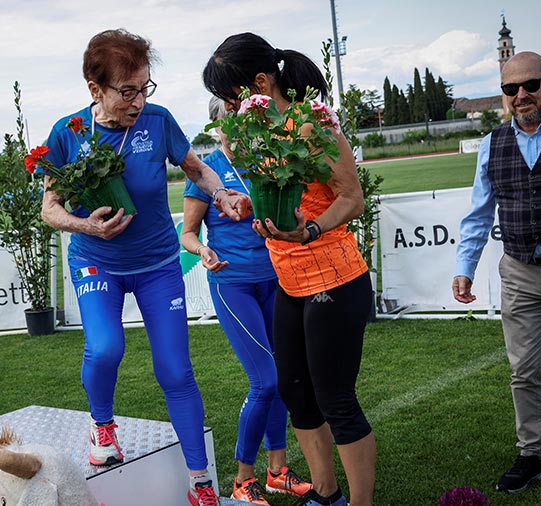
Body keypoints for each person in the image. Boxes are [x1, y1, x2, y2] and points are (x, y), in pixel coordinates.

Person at [40, 29, 251, 506]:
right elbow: (49, 209)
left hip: (157, 265)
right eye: (126, 91)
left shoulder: (157, 122)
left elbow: (196, 169)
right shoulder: (67, 133)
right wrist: (86, 226)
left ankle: (201, 482)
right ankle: (102, 427)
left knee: (176, 370)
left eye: (144, 87)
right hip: (97, 262)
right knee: (107, 347)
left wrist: (221, 193)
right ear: (95, 89)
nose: (137, 101)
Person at [203, 33, 375, 506]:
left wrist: (311, 231)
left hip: (335, 280)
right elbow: (280, 201)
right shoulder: (254, 137)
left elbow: (352, 198)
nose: (226, 109)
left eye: (230, 97)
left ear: (261, 83)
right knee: (296, 394)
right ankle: (326, 494)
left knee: (335, 399)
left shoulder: (312, 125)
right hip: (290, 283)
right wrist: (247, 205)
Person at [453, 51, 541, 494]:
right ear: (504, 94)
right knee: (524, 371)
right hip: (520, 271)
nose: (521, 95)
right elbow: (478, 212)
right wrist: (464, 268)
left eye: (530, 85)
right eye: (511, 89)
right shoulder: (493, 143)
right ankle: (532, 454)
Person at [180, 96, 311, 505]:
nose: (236, 131)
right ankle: (243, 479)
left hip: (276, 280)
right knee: (265, 380)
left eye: (243, 122)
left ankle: (277, 471)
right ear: (216, 127)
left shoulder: (269, 162)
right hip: (232, 284)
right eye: (228, 124)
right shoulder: (206, 172)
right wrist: (203, 252)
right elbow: (186, 234)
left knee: (284, 378)